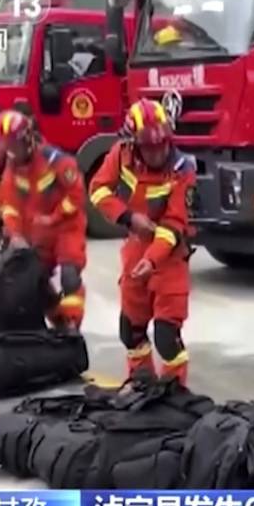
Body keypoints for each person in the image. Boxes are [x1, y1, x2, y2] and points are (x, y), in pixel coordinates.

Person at [89, 98, 196, 384]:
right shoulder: (121, 154)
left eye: (162, 144)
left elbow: (175, 225)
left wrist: (152, 259)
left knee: (166, 335)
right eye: (149, 147)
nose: (158, 152)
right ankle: (141, 382)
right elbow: (98, 190)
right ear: (134, 144)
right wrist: (127, 217)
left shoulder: (183, 168)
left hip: (170, 256)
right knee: (130, 330)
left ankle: (174, 391)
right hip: (135, 247)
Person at [0, 109, 88, 330]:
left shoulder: (55, 160)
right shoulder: (11, 171)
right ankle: (59, 321)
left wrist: (53, 217)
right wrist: (15, 235)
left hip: (66, 228)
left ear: (25, 140)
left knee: (70, 277)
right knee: (34, 280)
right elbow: (10, 206)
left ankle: (72, 326)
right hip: (38, 235)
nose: (8, 151)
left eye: (11, 145)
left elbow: (76, 194)